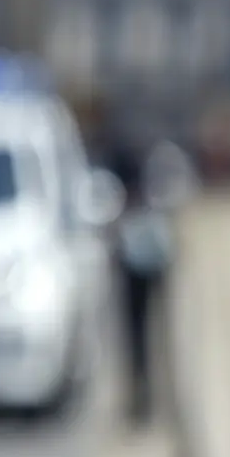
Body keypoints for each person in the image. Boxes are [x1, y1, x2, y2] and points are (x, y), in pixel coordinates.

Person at [103, 137, 174, 425]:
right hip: (145, 269)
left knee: (140, 338)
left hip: (140, 270)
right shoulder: (151, 205)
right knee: (144, 338)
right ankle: (146, 396)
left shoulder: (134, 211)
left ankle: (146, 396)